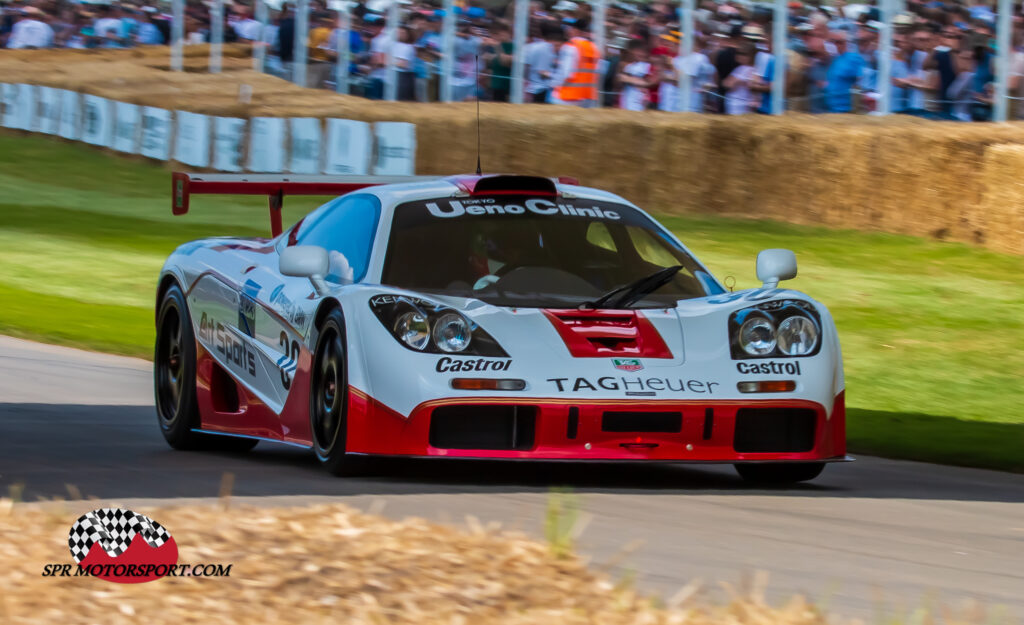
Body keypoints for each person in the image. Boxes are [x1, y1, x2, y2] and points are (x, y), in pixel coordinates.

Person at [550, 17, 599, 106]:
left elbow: (566, 73)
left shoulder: (570, 46)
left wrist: (554, 85)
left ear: (575, 30)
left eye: (570, 28)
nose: (568, 31)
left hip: (568, 96)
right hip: (588, 96)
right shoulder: (593, 47)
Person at [824, 30, 864, 112]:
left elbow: (861, 80)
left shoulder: (854, 58)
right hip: (831, 108)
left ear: (846, 43)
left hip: (846, 109)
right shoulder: (835, 59)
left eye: (838, 42)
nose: (835, 45)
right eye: (833, 42)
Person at [524, 21, 557, 103]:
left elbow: (526, 68)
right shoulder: (555, 48)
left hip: (534, 89)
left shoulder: (531, 47)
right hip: (549, 90)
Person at [618, 39, 652, 110]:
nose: (638, 53)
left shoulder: (648, 66)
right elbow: (620, 79)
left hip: (638, 103)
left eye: (640, 51)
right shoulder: (629, 66)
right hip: (627, 102)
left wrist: (628, 79)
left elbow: (647, 82)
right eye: (636, 51)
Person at [723, 44, 756, 114]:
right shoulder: (741, 68)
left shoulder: (745, 69)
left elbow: (728, 84)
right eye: (738, 53)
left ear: (751, 56)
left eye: (743, 54)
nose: (738, 56)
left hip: (738, 106)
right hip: (738, 104)